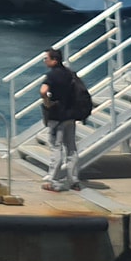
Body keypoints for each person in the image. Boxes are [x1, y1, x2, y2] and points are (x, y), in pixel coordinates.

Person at [39, 47, 81, 192]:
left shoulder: (52, 75)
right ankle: (74, 180)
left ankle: (53, 180)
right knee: (71, 148)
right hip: (71, 115)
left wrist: (47, 102)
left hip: (57, 117)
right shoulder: (70, 74)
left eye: (46, 58)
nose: (45, 61)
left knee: (56, 147)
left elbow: (43, 91)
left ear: (54, 60)